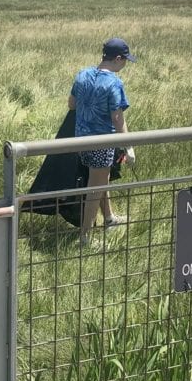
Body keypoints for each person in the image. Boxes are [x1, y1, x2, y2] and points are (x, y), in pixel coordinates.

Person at [69, 38, 136, 245]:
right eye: (125, 60)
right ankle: (85, 236)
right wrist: (129, 146)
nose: (125, 64)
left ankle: (109, 218)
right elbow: (117, 118)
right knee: (94, 189)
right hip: (101, 142)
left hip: (81, 141)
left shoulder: (82, 74)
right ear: (117, 59)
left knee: (99, 179)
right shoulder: (114, 83)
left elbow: (72, 104)